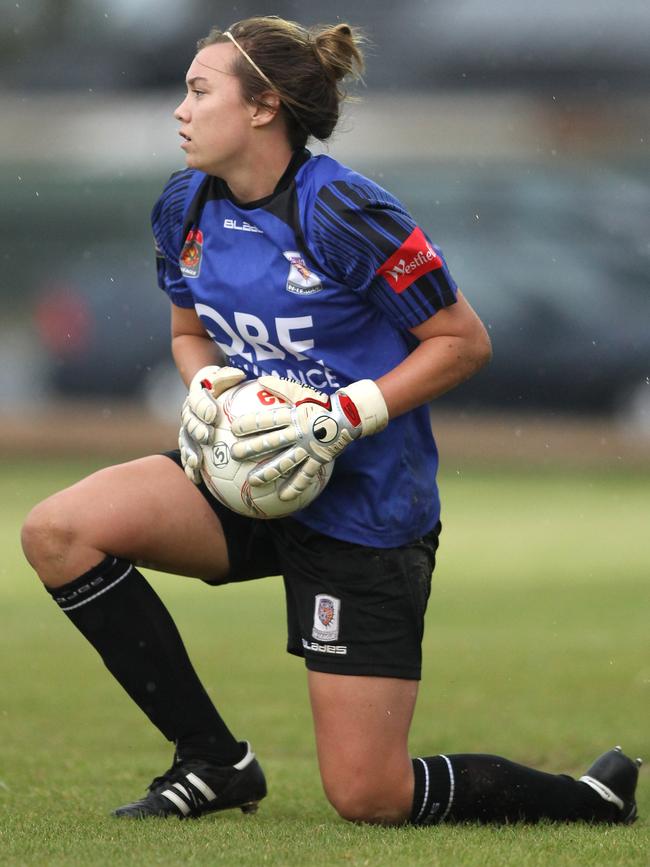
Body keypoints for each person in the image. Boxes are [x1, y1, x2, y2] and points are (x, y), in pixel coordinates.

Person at [21, 16, 641, 826]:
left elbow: (462, 341)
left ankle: (587, 798)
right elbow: (186, 333)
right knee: (58, 531)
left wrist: (349, 412)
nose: (178, 108)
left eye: (199, 90)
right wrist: (207, 384)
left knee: (368, 794)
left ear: (263, 107)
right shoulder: (183, 204)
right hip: (245, 477)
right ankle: (213, 760)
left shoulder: (343, 207)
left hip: (365, 507)